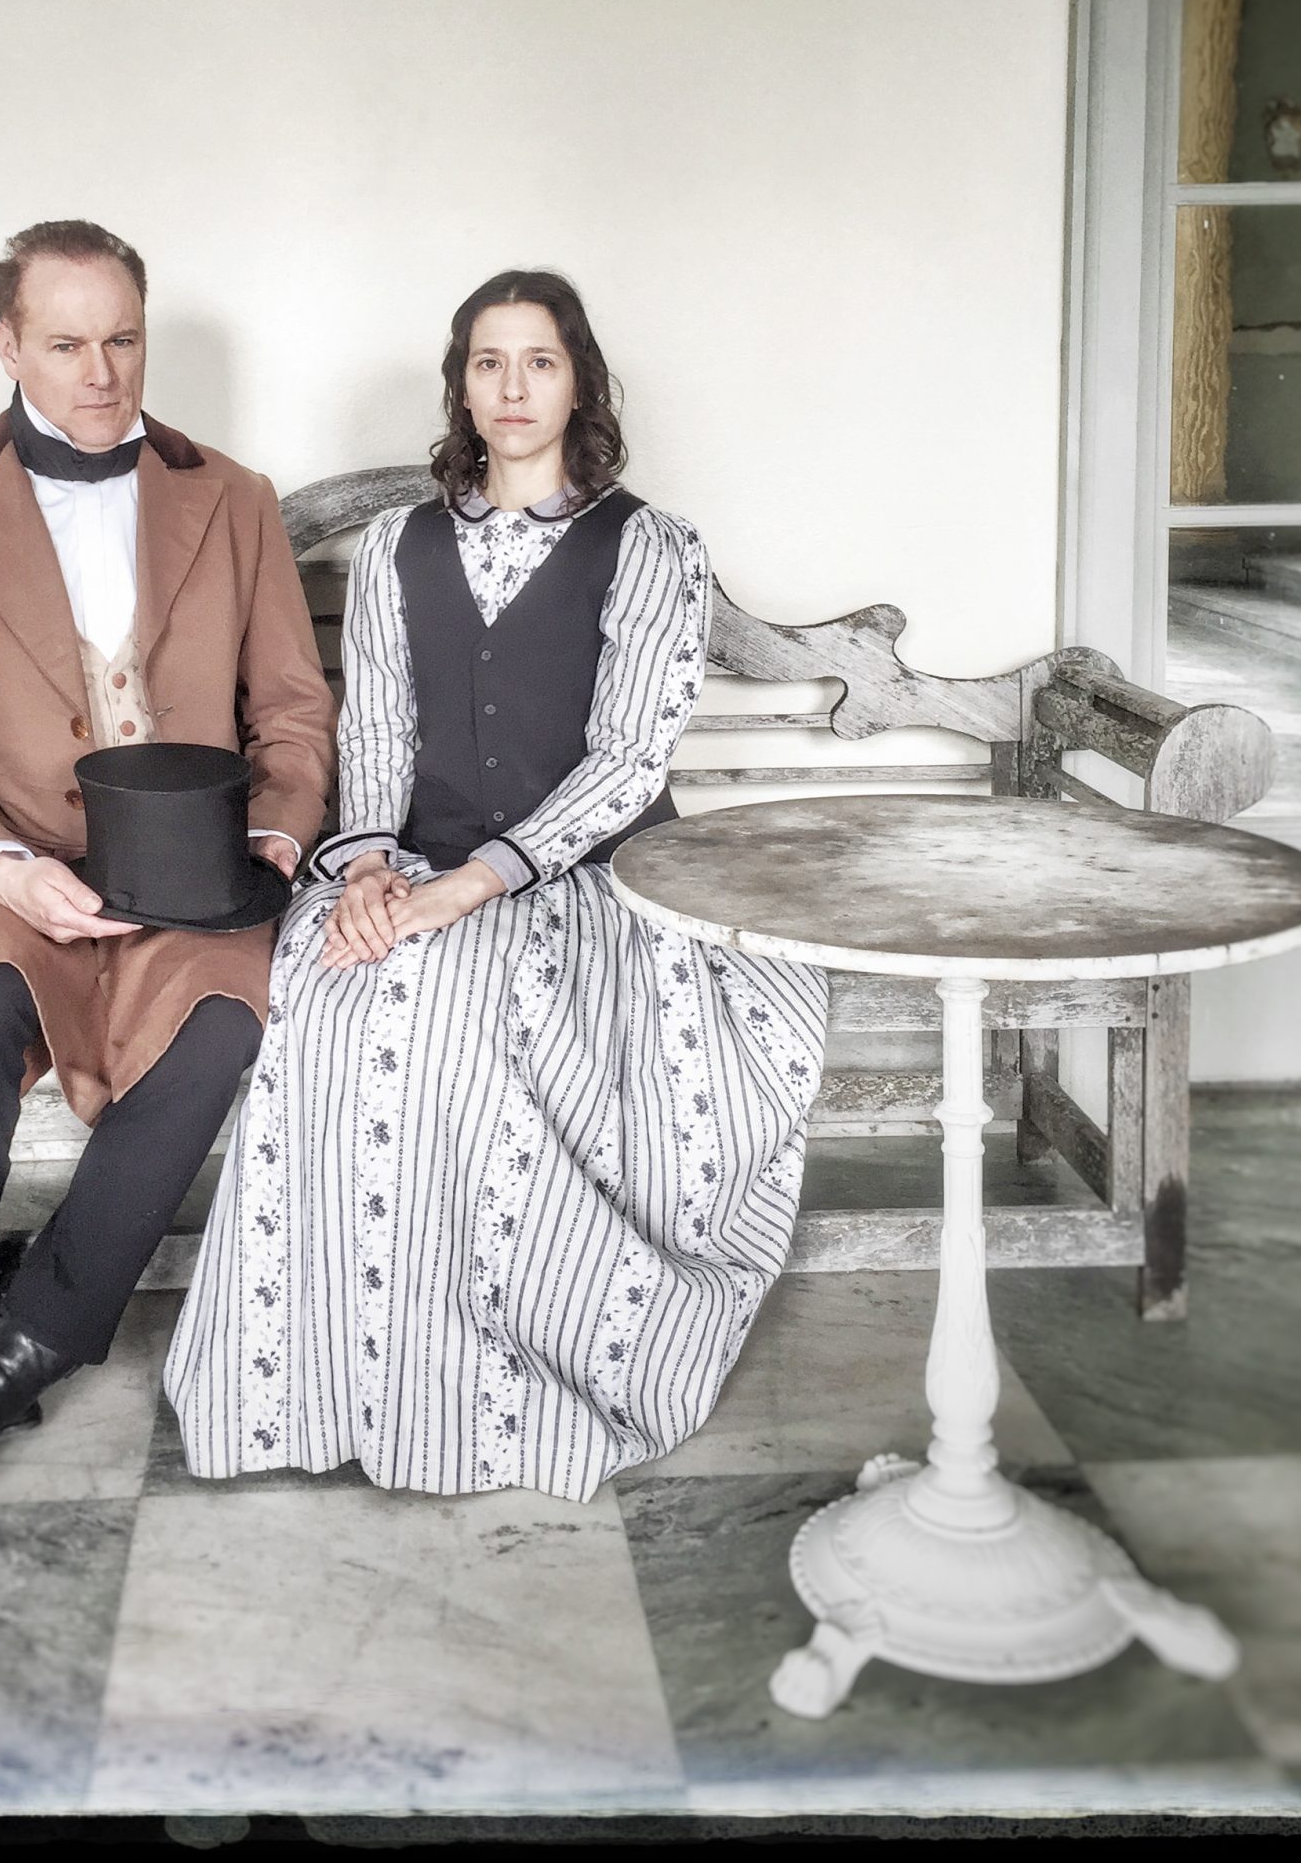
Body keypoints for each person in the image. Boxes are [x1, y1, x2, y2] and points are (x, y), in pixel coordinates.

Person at [165, 269, 828, 1499]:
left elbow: (630, 760)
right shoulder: (397, 547)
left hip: (588, 882)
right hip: (409, 862)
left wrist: (472, 886)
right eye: (488, 361)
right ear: (461, 387)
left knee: (456, 1015)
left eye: (539, 361)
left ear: (580, 384)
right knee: (326, 1001)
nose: (513, 386)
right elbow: (375, 728)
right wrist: (369, 867)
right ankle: (326, 1382)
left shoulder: (650, 547)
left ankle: (478, 1394)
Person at [0, 219, 334, 1527]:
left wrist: (274, 832)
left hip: (198, 881)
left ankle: (0, 1373)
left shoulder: (235, 498)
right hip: (9, 874)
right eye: (66, 344)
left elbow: (292, 713)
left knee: (221, 1030)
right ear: (8, 345)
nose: (102, 372)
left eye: (123, 339)